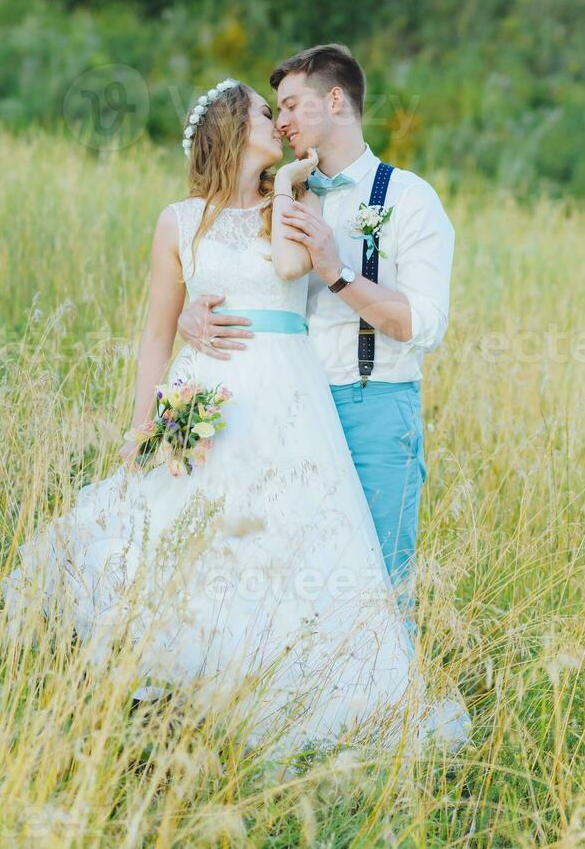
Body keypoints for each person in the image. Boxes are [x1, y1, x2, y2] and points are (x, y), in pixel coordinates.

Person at [0, 75, 470, 757]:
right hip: (210, 386)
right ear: (229, 125)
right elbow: (157, 332)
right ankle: (170, 691)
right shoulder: (178, 220)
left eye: (280, 111)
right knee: (186, 530)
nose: (276, 123)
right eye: (261, 112)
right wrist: (142, 425)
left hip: (285, 390)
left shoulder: (293, 200)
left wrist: (286, 185)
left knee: (289, 539)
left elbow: (285, 267)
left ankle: (284, 695)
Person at [177, 44, 456, 630]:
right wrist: (191, 317)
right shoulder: (276, 193)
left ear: (335, 101)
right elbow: (239, 277)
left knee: (377, 589)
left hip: (372, 406)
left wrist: (337, 270)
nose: (280, 121)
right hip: (285, 413)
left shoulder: (408, 198)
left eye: (292, 105)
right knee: (282, 586)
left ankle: (384, 720)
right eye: (273, 109)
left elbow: (422, 326)